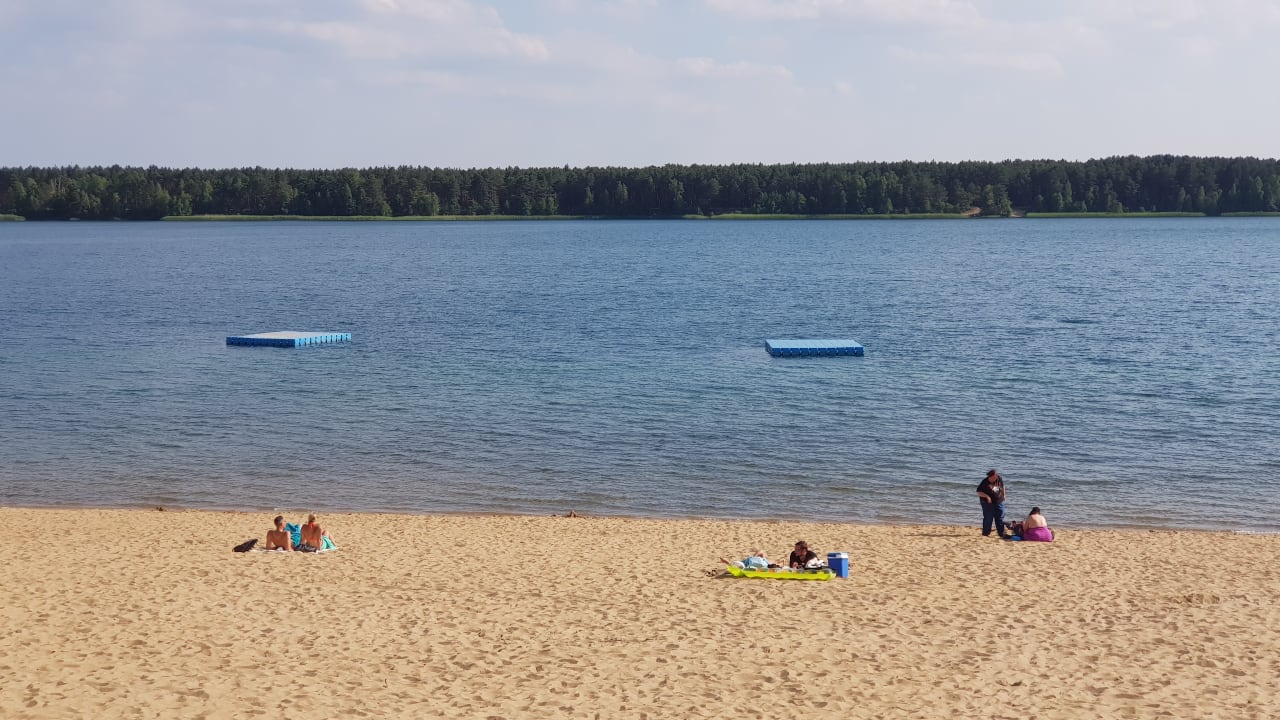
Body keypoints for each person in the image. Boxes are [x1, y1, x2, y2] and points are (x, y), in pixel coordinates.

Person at [976, 469, 1009, 538]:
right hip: (987, 503)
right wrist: (987, 496)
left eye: (996, 477)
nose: (995, 478)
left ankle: (1001, 533)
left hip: (999, 501)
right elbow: (978, 492)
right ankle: (986, 533)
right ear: (990, 477)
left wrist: (1004, 495)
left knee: (1000, 516)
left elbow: (1003, 486)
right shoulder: (985, 482)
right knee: (988, 518)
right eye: (994, 477)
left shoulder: (999, 478)